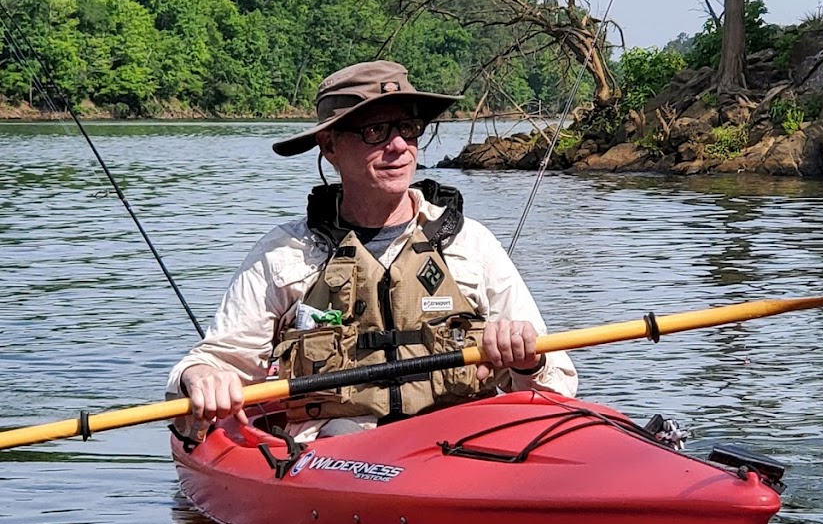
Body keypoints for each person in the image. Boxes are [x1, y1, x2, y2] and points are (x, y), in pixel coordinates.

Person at [169, 60, 577, 437]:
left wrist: (529, 360)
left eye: (408, 128)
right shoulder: (284, 254)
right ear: (329, 147)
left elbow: (558, 381)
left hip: (462, 444)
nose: (399, 146)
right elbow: (218, 362)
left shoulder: (470, 243)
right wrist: (202, 376)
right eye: (374, 131)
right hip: (336, 457)